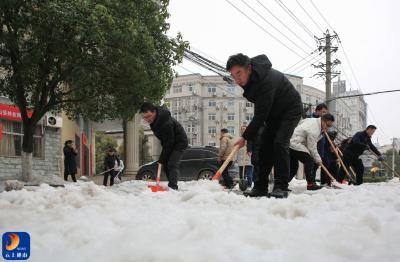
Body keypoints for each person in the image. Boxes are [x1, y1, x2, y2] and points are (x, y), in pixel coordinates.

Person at [227, 53, 303, 198]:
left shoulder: (265, 81)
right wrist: (247, 136)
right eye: (233, 76)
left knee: (280, 143)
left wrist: (244, 137)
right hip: (273, 114)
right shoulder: (252, 80)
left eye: (239, 74)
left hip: (290, 110)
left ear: (248, 68)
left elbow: (259, 117)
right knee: (264, 147)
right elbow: (262, 112)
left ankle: (281, 186)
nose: (237, 80)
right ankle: (260, 186)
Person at [140, 102, 188, 190]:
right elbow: (165, 140)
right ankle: (171, 183)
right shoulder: (154, 121)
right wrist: (163, 158)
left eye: (148, 116)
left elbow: (169, 142)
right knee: (165, 163)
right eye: (145, 117)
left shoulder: (166, 122)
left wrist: (162, 158)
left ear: (154, 112)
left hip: (179, 142)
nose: (147, 119)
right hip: (169, 142)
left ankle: (173, 187)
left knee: (172, 163)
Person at [288, 114, 335, 190]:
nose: (328, 128)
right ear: (323, 121)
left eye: (330, 126)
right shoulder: (315, 129)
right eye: (328, 125)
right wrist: (318, 159)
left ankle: (283, 184)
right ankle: (310, 184)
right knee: (309, 161)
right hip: (296, 143)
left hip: (292, 142)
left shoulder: (314, 121)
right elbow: (312, 147)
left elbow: (301, 123)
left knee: (293, 167)